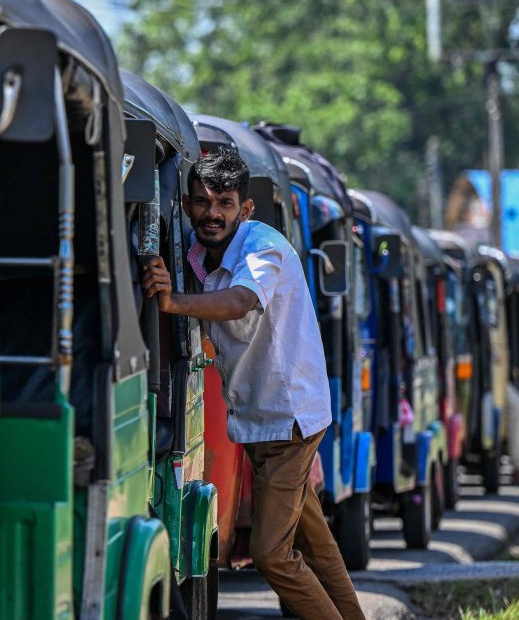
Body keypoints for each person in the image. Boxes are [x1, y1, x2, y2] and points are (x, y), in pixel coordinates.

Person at [141, 149, 364, 620]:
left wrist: (172, 302)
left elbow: (241, 300)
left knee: (271, 555)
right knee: (316, 545)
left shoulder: (264, 246)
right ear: (185, 204)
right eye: (202, 202)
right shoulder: (195, 257)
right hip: (258, 422)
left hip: (290, 420)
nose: (212, 213)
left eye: (224, 203)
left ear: (245, 209)